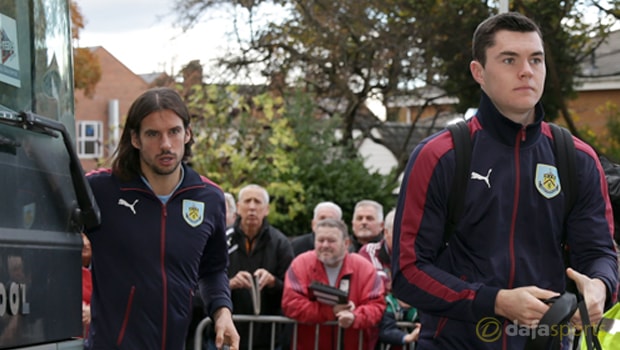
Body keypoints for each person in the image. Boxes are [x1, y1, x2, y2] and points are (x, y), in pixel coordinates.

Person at [391, 12, 618, 349]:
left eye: (536, 59)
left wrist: (600, 285)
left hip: (547, 342)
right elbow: (408, 272)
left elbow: (599, 251)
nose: (526, 70)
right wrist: (494, 301)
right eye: (509, 59)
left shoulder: (578, 158)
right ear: (478, 72)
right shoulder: (440, 156)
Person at [84, 87, 239, 349]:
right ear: (135, 139)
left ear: (187, 133)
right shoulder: (101, 190)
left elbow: (213, 270)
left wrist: (222, 311)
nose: (165, 144)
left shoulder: (209, 198)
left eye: (174, 132)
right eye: (153, 134)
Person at [282, 218, 385, 349]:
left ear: (346, 243)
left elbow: (377, 306)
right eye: (320, 240)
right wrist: (331, 312)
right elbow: (291, 304)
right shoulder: (300, 264)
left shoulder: (365, 268)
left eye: (331, 241)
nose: (325, 245)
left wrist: (354, 316)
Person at [226, 184, 294, 350]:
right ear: (238, 207)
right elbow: (204, 283)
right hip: (226, 332)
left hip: (268, 336)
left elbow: (293, 290)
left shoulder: (280, 243)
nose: (252, 207)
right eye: (247, 201)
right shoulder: (222, 239)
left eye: (257, 202)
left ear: (267, 209)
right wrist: (229, 284)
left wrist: (273, 282)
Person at [358, 209, 420, 349]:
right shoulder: (369, 251)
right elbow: (372, 283)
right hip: (377, 333)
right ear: (386, 233)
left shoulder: (421, 253)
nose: (407, 240)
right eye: (401, 233)